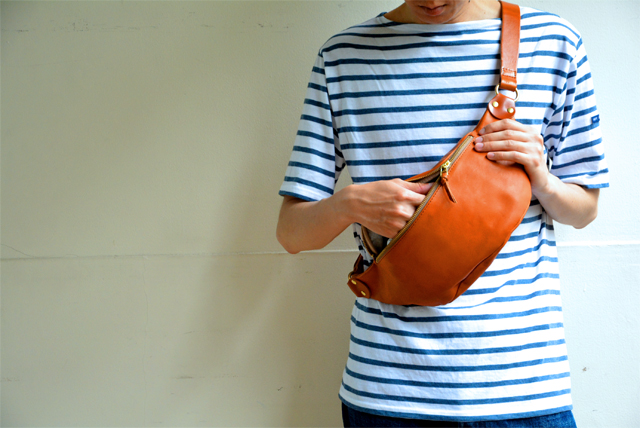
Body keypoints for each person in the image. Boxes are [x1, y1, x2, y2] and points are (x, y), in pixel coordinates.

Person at [276, 0, 609, 426]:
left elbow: (584, 210)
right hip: (389, 391)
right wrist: (350, 204)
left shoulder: (553, 43)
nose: (432, 2)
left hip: (523, 388)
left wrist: (540, 177)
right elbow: (292, 232)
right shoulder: (342, 57)